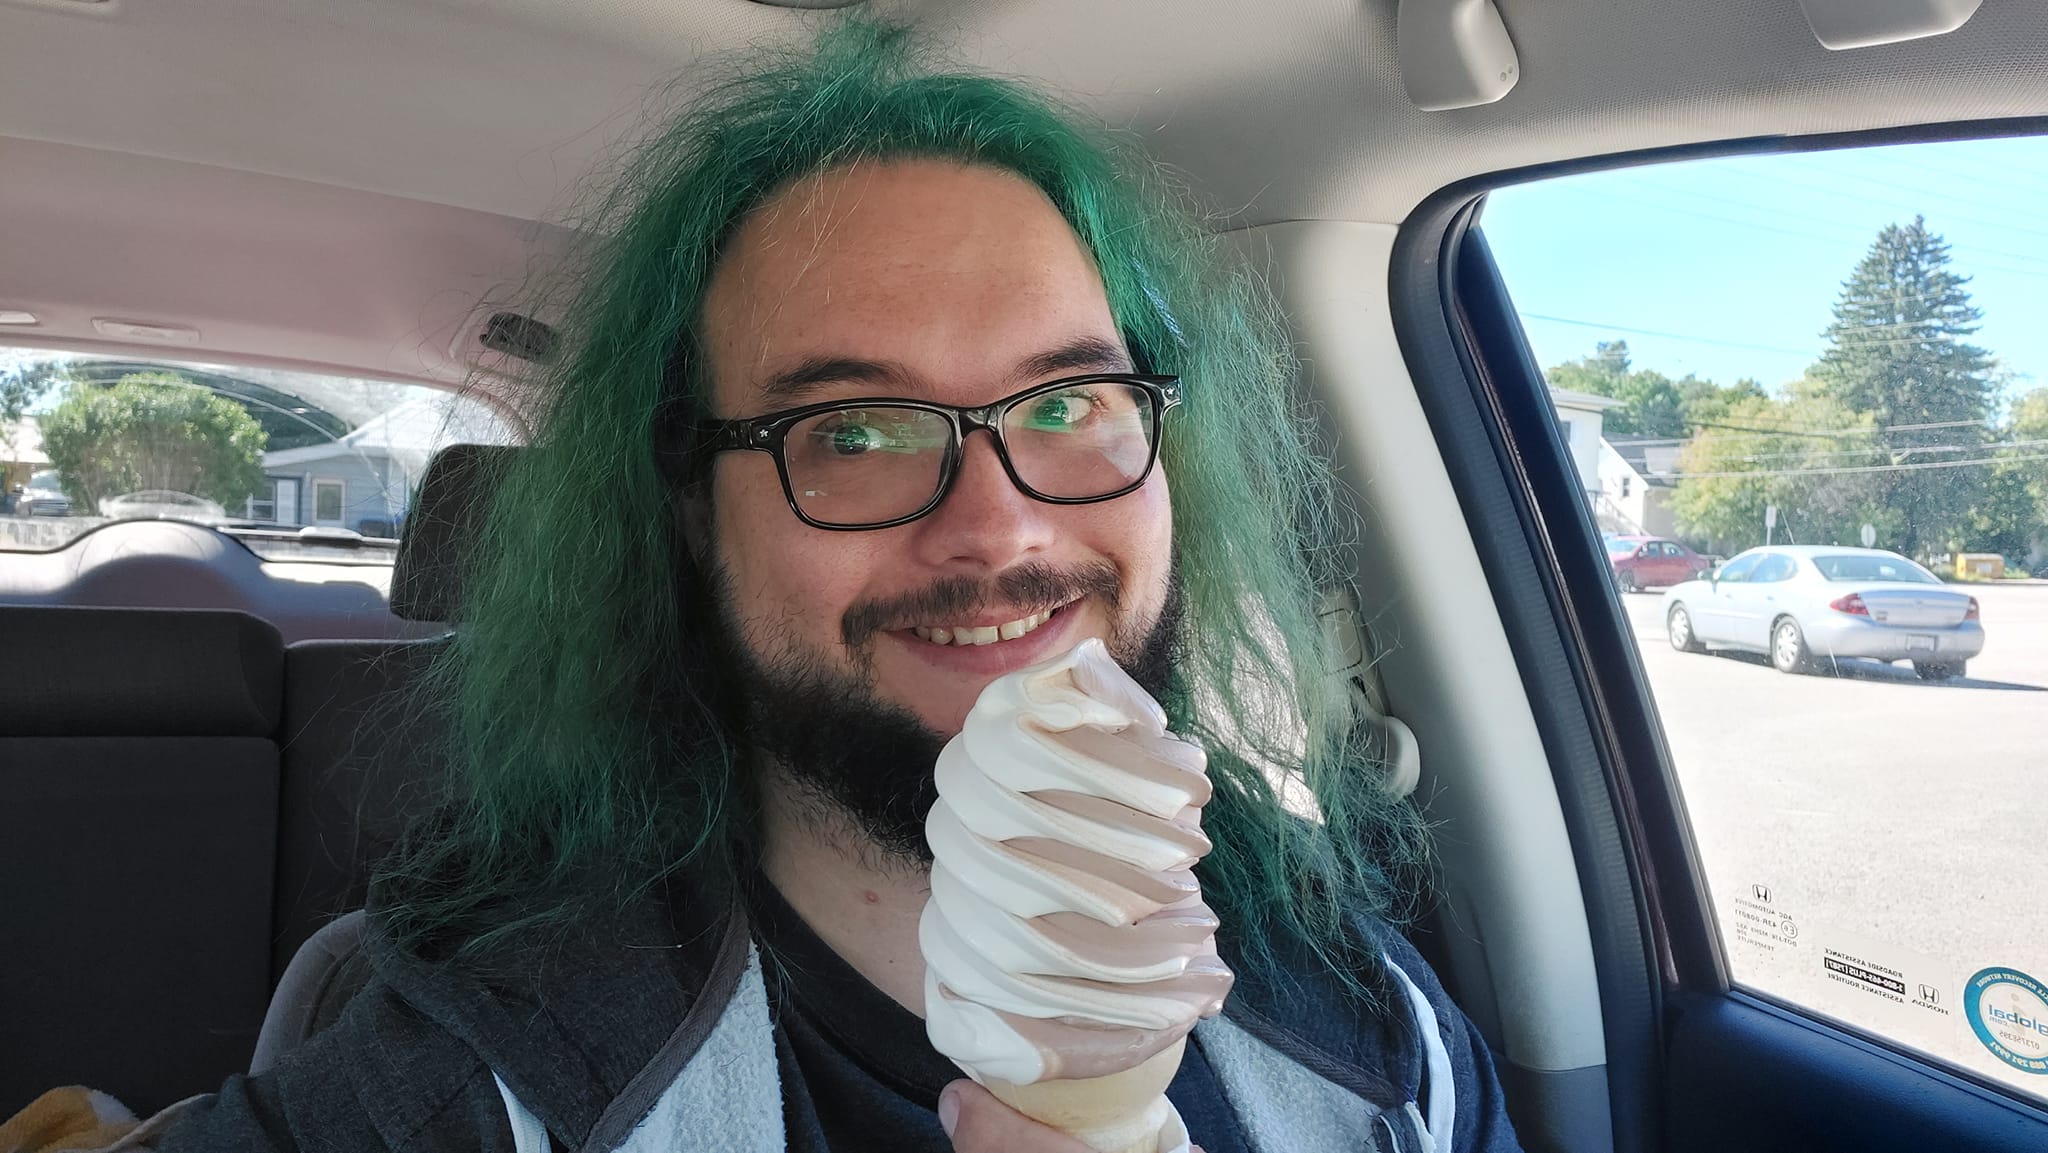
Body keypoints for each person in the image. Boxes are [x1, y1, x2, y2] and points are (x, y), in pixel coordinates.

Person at [160, 18, 1521, 1153]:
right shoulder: (478, 1086)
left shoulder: (1376, 1036)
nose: (998, 528)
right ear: (694, 515)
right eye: (854, 432)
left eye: (1066, 402)